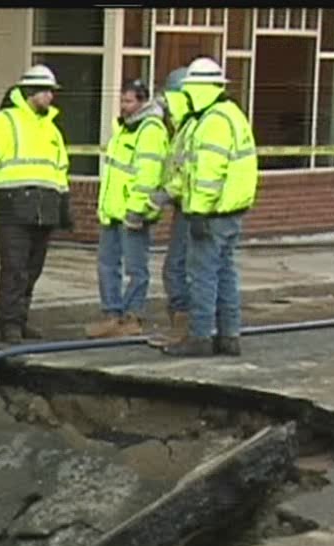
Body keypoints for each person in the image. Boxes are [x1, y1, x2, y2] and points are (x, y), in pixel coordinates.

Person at [0, 64, 72, 344]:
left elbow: (59, 168)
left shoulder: (52, 129)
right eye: (46, 91)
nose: (51, 96)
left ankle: (20, 320)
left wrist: (64, 202)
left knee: (32, 269)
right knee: (14, 268)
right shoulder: (4, 121)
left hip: (43, 208)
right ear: (30, 92)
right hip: (13, 207)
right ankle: (9, 324)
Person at [162, 57, 259, 358]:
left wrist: (199, 210)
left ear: (199, 89)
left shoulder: (212, 122)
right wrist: (167, 193)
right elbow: (189, 168)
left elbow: (208, 172)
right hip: (231, 211)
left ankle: (201, 336)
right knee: (225, 273)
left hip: (212, 213)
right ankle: (229, 336)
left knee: (202, 275)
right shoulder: (229, 114)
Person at [84, 78, 169, 339]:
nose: (123, 106)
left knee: (135, 268)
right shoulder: (125, 129)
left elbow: (147, 175)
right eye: (121, 100)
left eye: (129, 101)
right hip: (113, 211)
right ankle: (112, 315)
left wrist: (136, 210)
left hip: (133, 213)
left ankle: (132, 316)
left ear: (143, 102)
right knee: (107, 265)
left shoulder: (150, 130)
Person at [146, 66, 199, 349]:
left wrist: (162, 195)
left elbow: (187, 171)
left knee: (178, 268)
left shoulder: (189, 127)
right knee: (187, 267)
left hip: (194, 207)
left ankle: (185, 326)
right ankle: (189, 325)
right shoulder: (187, 126)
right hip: (191, 206)